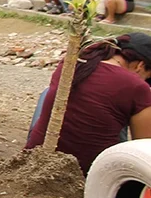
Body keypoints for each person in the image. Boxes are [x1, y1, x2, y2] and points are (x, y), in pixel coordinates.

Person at [26, 33, 151, 174]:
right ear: (140, 65)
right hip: (89, 173)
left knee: (48, 93)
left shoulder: (73, 63)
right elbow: (143, 149)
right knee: (130, 107)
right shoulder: (137, 86)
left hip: (34, 157)